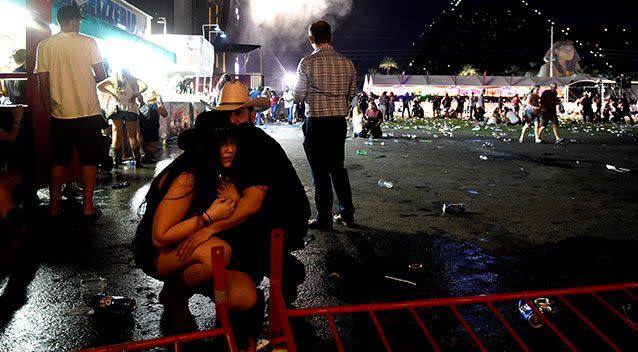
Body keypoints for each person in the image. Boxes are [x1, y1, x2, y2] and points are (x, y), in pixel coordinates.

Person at [132, 124, 259, 345]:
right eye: (221, 144)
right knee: (219, 252)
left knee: (245, 297)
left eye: (232, 143)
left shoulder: (216, 174)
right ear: (206, 147)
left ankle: (185, 286)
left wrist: (235, 197)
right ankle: (175, 295)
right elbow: (159, 237)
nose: (229, 149)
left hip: (192, 252)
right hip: (158, 254)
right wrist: (208, 216)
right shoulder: (187, 177)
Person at [36, 5, 107, 219]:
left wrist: (50, 109)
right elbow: (101, 74)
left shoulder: (45, 45)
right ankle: (87, 207)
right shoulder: (89, 42)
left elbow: (43, 82)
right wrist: (85, 81)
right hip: (88, 111)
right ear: (74, 20)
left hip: (60, 114)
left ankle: (54, 207)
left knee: (58, 160)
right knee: (89, 160)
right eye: (79, 20)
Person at [294, 20, 356, 229]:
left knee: (319, 171)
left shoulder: (307, 62)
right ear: (331, 36)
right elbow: (352, 94)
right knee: (338, 167)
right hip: (338, 123)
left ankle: (324, 217)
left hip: (316, 123)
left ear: (311, 39)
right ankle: (347, 213)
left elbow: (299, 95)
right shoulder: (347, 63)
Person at [97, 67, 147, 167]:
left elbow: (99, 86)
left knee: (116, 134)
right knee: (132, 136)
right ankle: (138, 161)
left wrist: (112, 93)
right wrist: (136, 94)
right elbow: (145, 86)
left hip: (117, 108)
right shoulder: (133, 79)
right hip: (131, 108)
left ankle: (116, 161)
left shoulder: (113, 79)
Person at [138, 91, 168, 164]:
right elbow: (165, 114)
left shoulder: (141, 106)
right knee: (152, 145)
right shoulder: (155, 106)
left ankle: (145, 156)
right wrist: (162, 103)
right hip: (153, 128)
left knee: (145, 144)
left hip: (143, 128)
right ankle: (148, 157)